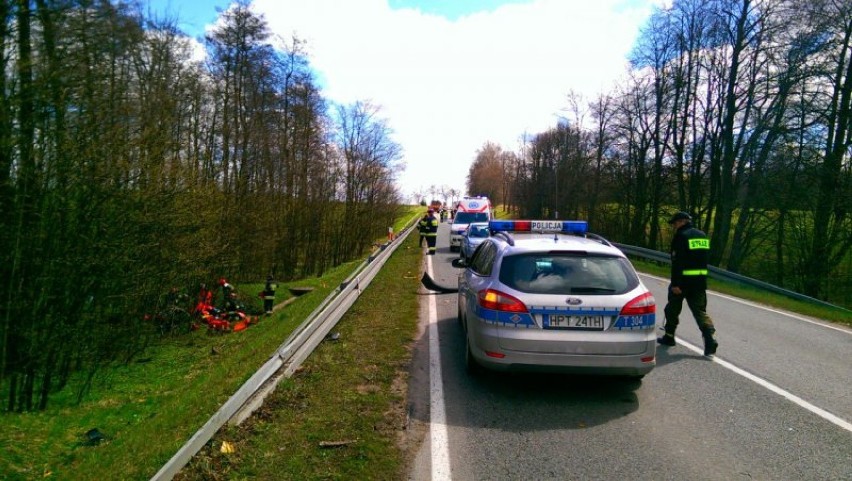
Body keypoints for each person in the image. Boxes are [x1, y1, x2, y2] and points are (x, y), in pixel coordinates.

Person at [658, 211, 719, 356]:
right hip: (699, 282)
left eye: (675, 223)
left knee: (672, 310)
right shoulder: (702, 235)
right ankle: (710, 338)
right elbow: (702, 259)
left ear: (681, 222)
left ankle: (669, 337)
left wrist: (675, 284)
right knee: (700, 312)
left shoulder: (681, 236)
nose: (674, 226)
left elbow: (677, 262)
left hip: (682, 282)